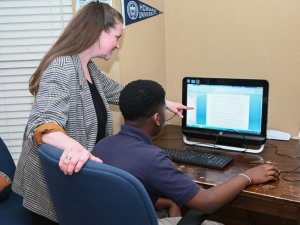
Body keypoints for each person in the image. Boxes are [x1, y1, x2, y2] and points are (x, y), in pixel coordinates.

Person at [12, 2, 190, 224]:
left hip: (73, 180)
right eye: (116, 37)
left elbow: (121, 93)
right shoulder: (61, 67)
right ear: (97, 32)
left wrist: (164, 104)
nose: (117, 45)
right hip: (49, 187)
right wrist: (77, 149)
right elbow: (43, 123)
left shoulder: (90, 69)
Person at [91, 79, 281, 225]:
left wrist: (170, 203)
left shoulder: (102, 146)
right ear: (157, 118)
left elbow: (126, 194)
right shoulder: (153, 159)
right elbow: (208, 202)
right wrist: (248, 176)